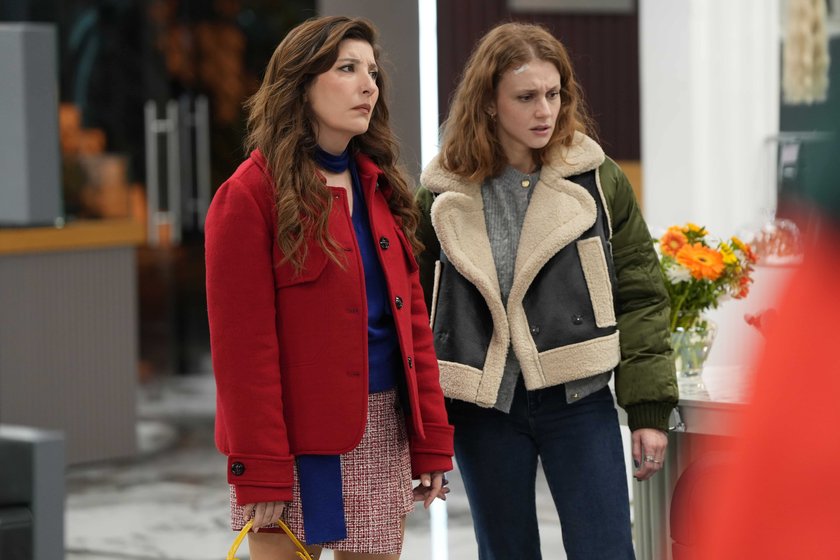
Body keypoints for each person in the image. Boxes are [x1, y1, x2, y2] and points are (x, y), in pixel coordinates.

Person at [416, 22, 678, 559]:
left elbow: (641, 296)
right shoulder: (441, 194)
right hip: (486, 409)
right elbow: (417, 316)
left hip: (579, 399)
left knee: (607, 552)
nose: (545, 111)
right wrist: (425, 435)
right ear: (489, 103)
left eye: (554, 94)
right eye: (526, 97)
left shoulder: (598, 179)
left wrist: (648, 410)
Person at [205, 16, 453, 560]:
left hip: (382, 429)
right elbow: (242, 353)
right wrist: (261, 467)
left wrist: (431, 439)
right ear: (301, 84)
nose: (369, 86)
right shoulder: (249, 195)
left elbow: (413, 323)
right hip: (291, 444)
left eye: (372, 72)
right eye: (347, 69)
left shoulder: (380, 185)